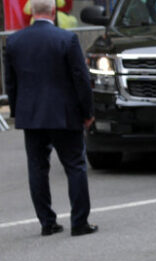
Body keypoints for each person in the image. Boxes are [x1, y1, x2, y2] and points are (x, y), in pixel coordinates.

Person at [3, 0, 97, 237]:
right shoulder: (66, 39)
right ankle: (79, 222)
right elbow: (81, 80)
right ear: (53, 12)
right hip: (64, 113)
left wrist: (18, 111)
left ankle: (47, 222)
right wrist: (87, 112)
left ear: (33, 12)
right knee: (75, 165)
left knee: (37, 168)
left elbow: (10, 82)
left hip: (31, 114)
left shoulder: (14, 41)